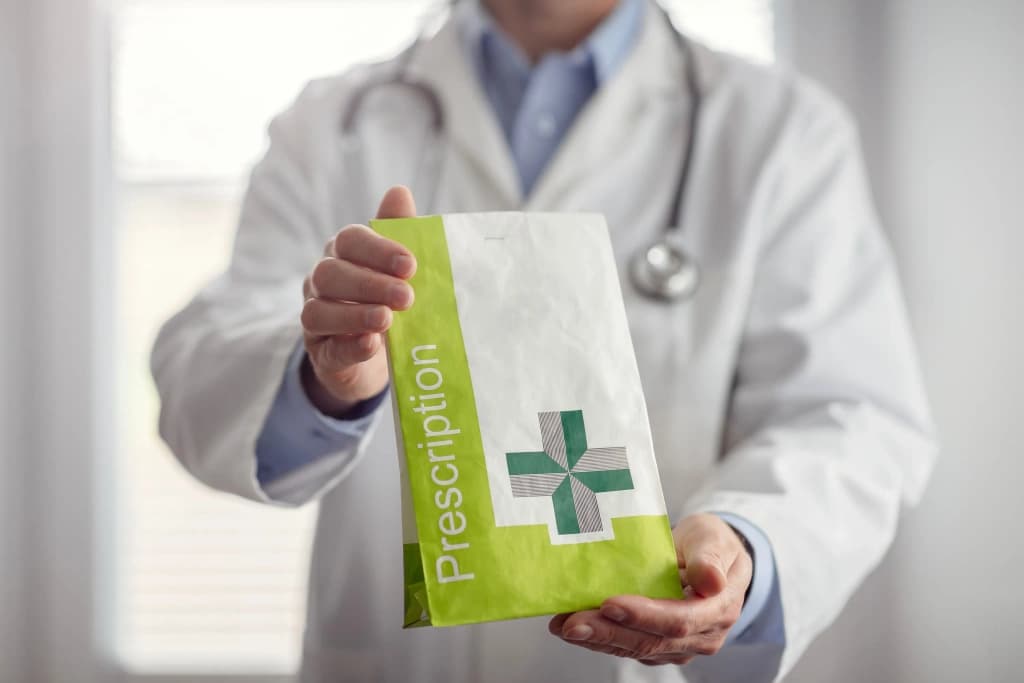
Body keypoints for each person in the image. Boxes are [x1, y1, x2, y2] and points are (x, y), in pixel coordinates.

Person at [151, 0, 936, 681]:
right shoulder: (332, 124)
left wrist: (744, 546)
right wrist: (323, 378)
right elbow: (202, 358)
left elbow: (849, 415)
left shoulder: (781, 133)